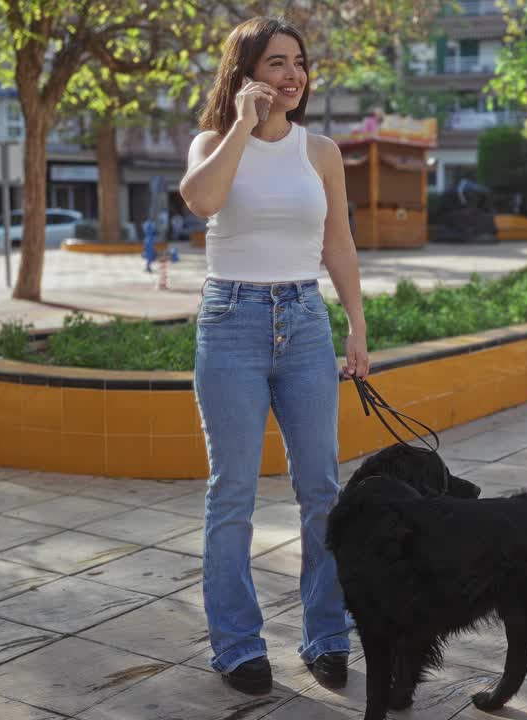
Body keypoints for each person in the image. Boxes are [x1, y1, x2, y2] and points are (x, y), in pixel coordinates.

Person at [178, 16, 369, 696]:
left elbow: (339, 243)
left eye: (299, 63)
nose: (292, 75)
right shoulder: (212, 142)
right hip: (231, 321)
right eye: (276, 63)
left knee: (321, 488)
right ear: (246, 72)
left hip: (306, 320)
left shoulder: (319, 152)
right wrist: (238, 125)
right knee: (232, 494)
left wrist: (356, 325)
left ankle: (326, 636)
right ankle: (236, 646)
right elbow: (200, 201)